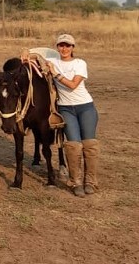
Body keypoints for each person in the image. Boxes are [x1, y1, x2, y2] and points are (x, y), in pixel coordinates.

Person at [48, 34, 99, 197]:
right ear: (57, 47)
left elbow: (73, 85)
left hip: (85, 107)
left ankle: (90, 181)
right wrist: (26, 52)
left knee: (89, 144)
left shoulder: (79, 63)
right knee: (73, 145)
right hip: (66, 109)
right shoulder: (53, 61)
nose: (64, 48)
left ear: (73, 48)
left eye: (68, 45)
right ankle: (75, 181)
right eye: (61, 45)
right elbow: (35, 54)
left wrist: (56, 74)